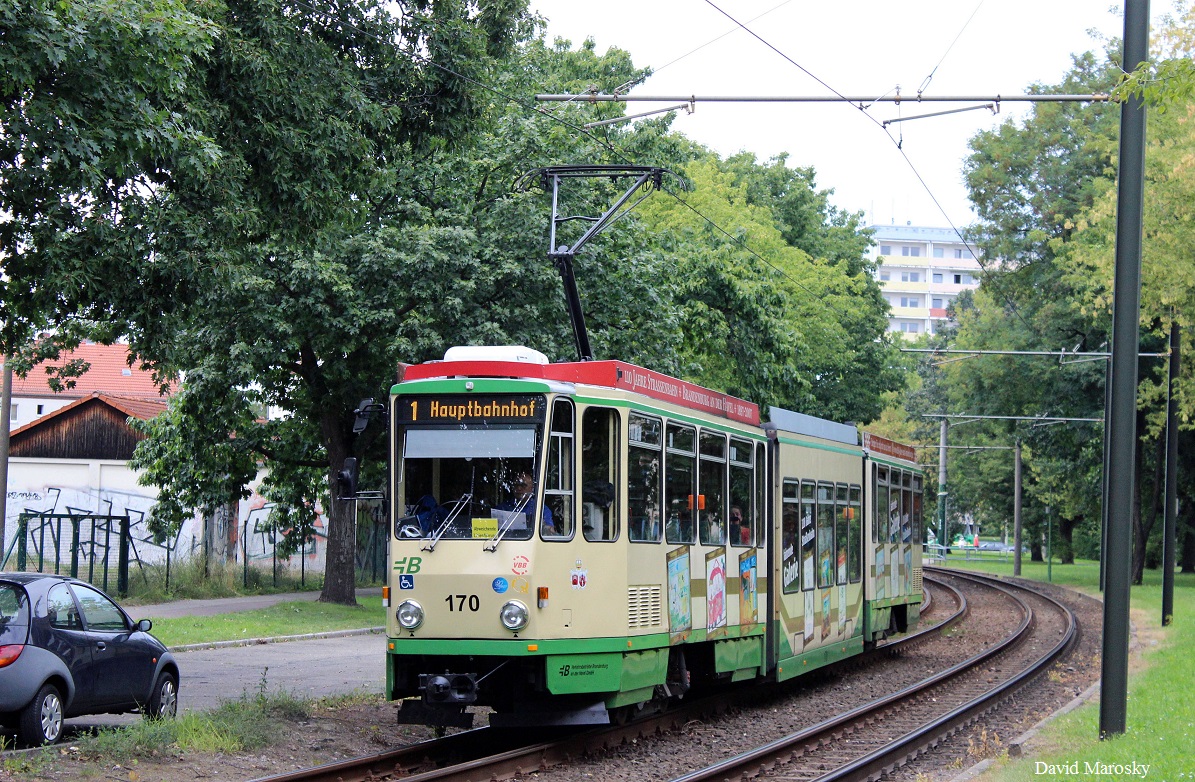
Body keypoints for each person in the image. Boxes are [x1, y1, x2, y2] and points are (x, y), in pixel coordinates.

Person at [499, 470, 555, 535]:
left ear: (531, 488)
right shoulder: (502, 508)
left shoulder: (541, 509)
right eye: (516, 485)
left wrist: (545, 527)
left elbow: (549, 530)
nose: (519, 488)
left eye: (523, 485)